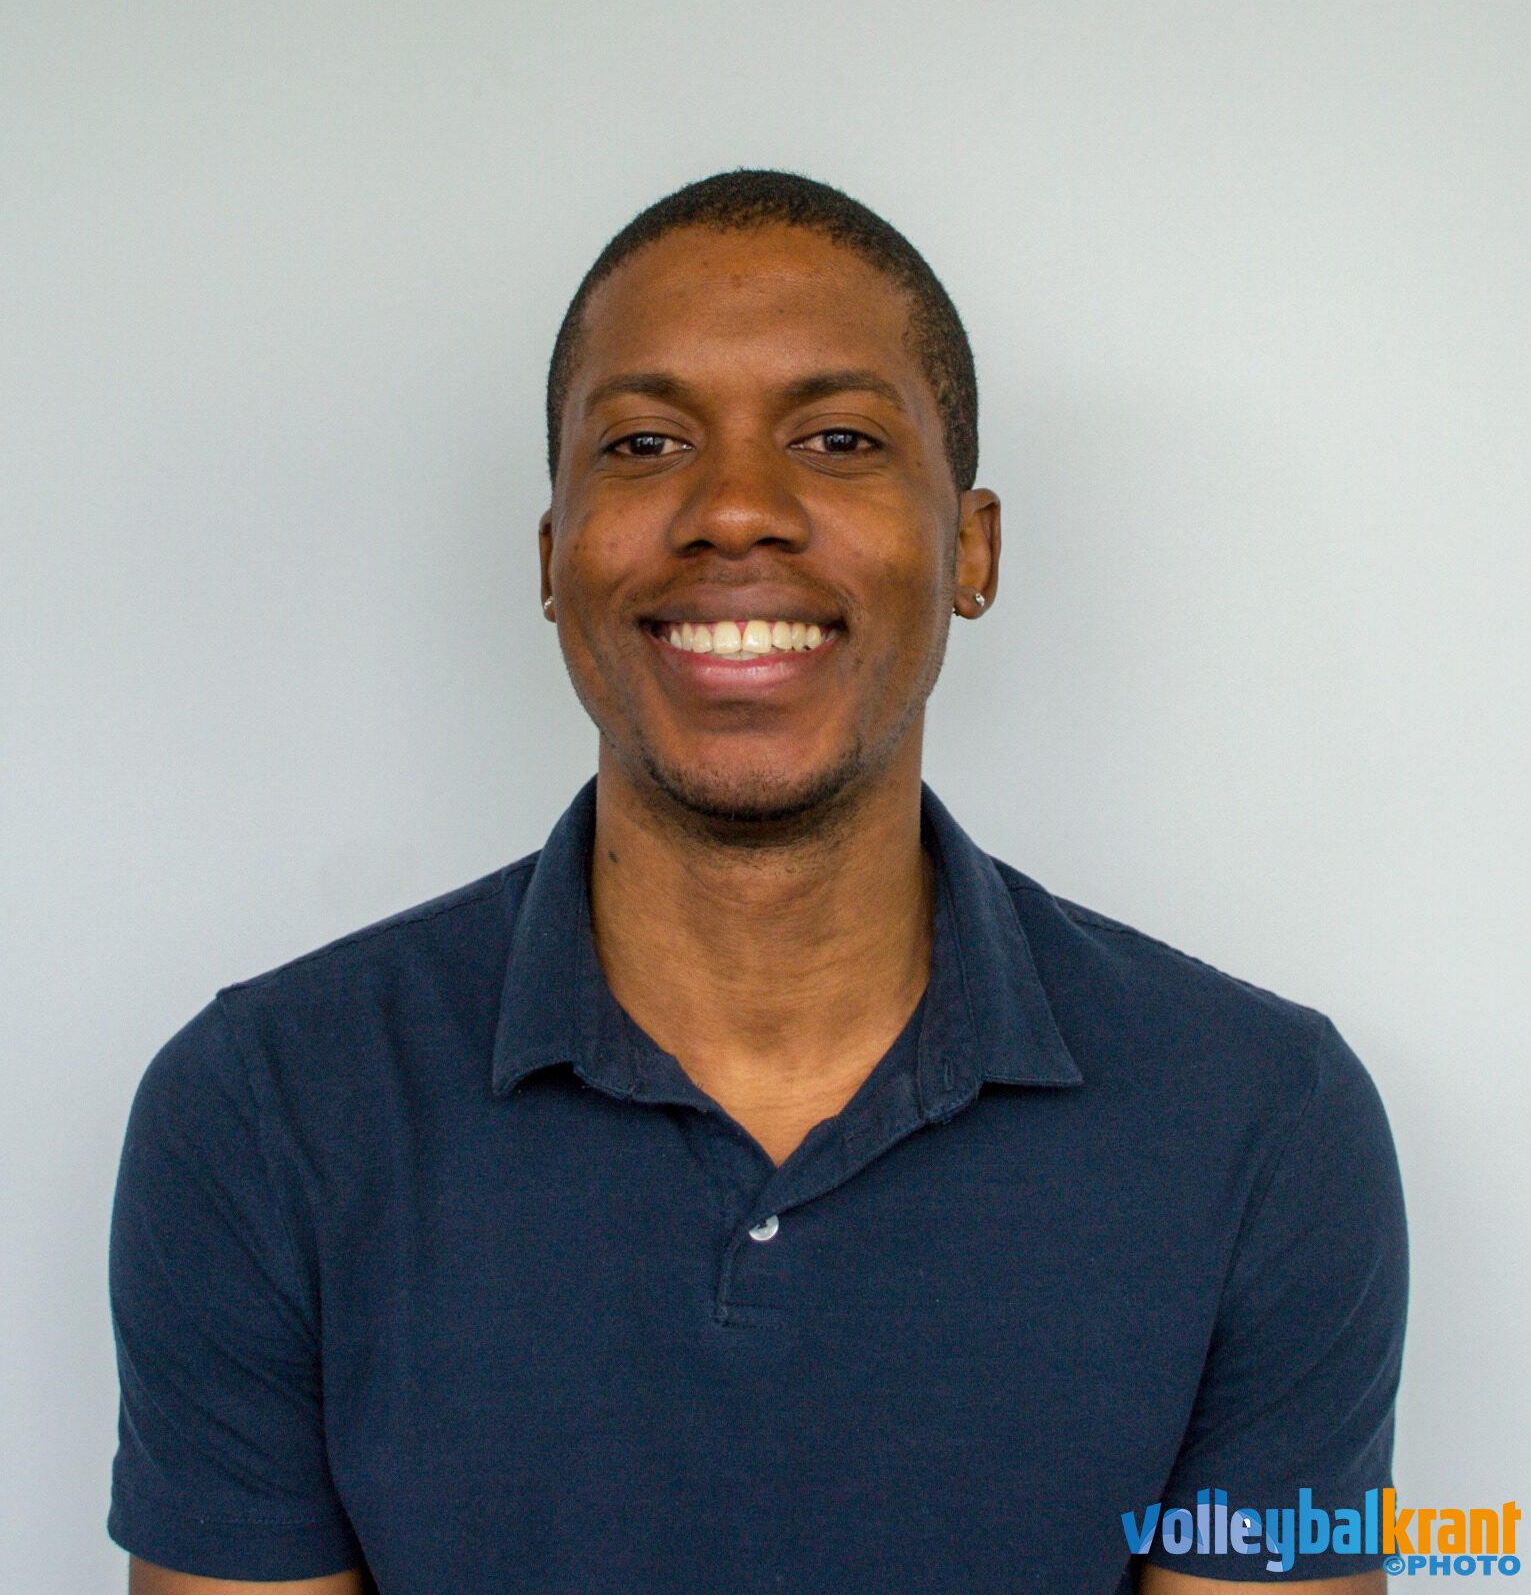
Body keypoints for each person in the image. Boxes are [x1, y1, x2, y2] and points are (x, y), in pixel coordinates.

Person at [108, 169, 1407, 1595]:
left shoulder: (1266, 1127)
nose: (735, 509)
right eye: (646, 443)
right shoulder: (265, 1113)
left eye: (838, 439)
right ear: (553, 558)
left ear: (972, 549)